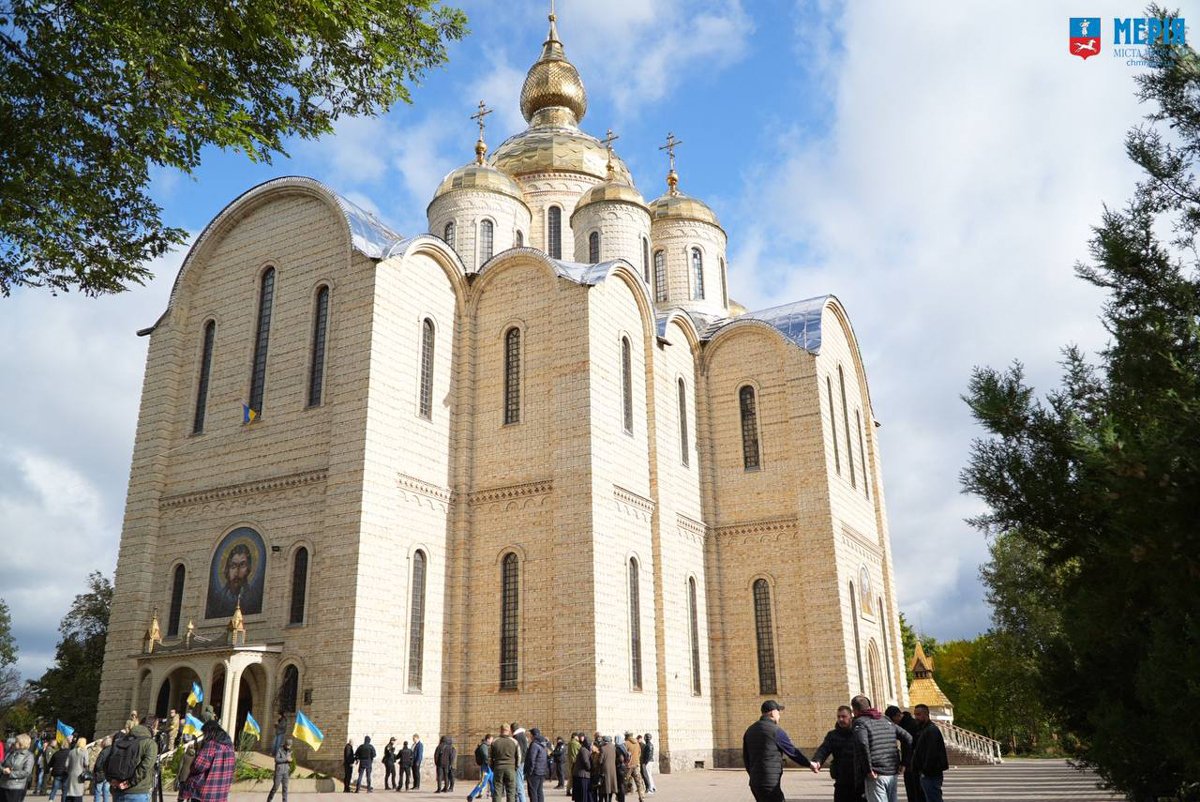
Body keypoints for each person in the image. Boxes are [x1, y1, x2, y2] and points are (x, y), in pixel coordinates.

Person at [742, 700, 816, 802]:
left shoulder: (750, 730)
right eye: (778, 712)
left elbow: (746, 757)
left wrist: (753, 775)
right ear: (772, 713)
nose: (779, 716)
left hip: (755, 783)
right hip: (770, 783)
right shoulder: (776, 730)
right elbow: (793, 752)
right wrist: (809, 764)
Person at [851, 695, 912, 802]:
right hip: (892, 771)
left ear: (855, 710)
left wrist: (868, 769)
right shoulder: (885, 720)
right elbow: (908, 738)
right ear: (869, 706)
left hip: (876, 774)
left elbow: (862, 743)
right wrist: (904, 762)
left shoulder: (860, 722)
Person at [812, 706, 865, 802]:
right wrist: (817, 761)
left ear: (851, 717)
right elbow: (823, 750)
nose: (840, 719)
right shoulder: (832, 735)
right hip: (841, 781)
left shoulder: (859, 733)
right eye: (838, 716)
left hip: (859, 782)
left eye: (844, 716)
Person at [178, 720, 235, 802]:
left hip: (205, 793)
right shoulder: (230, 747)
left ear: (209, 732)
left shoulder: (212, 744)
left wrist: (193, 758)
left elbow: (199, 766)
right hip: (221, 793)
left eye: (204, 733)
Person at [107, 719, 157, 802]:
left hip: (118, 790)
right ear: (152, 727)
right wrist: (129, 783)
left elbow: (107, 761)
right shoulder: (149, 743)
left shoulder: (121, 741)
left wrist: (111, 780)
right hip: (138, 791)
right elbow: (145, 767)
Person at [909, 706, 947, 802]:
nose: (916, 717)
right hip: (927, 773)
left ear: (926, 714)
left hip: (931, 774)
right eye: (915, 714)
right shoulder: (923, 730)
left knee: (934, 798)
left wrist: (925, 771)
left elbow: (931, 754)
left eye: (918, 714)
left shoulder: (931, 730)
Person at [885, 707, 922, 802]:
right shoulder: (908, 722)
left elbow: (908, 747)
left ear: (897, 716)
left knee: (914, 789)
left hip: (913, 763)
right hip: (913, 762)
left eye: (893, 721)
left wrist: (904, 763)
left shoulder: (909, 725)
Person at [0, 733, 35, 802]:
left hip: (15, 787)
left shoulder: (29, 756)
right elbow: (2, 763)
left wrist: (11, 773)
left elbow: (26, 772)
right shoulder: (10, 752)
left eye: (16, 741)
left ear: (22, 743)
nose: (14, 743)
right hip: (3, 784)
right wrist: (2, 769)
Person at [489, 725, 519, 802]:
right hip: (510, 768)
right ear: (509, 731)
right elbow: (519, 756)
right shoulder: (514, 742)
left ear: (500, 730)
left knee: (497, 791)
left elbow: (490, 757)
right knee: (511, 792)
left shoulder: (494, 742)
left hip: (498, 767)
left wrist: (492, 767)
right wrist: (516, 767)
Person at [523, 729, 549, 802]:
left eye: (530, 734)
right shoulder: (543, 744)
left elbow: (531, 759)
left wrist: (529, 771)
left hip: (534, 772)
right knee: (539, 791)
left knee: (533, 792)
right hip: (541, 771)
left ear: (532, 735)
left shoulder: (534, 744)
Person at [467, 736, 493, 802]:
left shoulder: (486, 746)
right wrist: (488, 762)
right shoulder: (484, 746)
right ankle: (471, 795)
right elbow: (485, 756)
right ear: (488, 739)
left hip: (488, 766)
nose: (491, 741)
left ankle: (495, 795)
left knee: (492, 782)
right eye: (491, 739)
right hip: (486, 766)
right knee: (483, 783)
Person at [63, 738, 88, 802]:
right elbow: (86, 763)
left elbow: (66, 764)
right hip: (80, 775)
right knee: (78, 793)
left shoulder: (71, 751)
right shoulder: (84, 751)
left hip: (71, 774)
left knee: (70, 792)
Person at [570, 737, 591, 802]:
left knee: (580, 795)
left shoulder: (582, 749)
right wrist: (589, 768)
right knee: (582, 795)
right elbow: (585, 761)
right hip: (582, 775)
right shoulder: (584, 750)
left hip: (579, 774)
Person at [510, 725, 528, 802]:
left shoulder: (517, 737)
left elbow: (518, 753)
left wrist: (516, 764)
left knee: (518, 785)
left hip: (519, 763)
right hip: (522, 762)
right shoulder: (522, 736)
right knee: (518, 784)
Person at [92, 737, 113, 802]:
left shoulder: (103, 752)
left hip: (101, 774)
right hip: (109, 774)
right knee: (106, 792)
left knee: (98, 792)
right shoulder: (113, 750)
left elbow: (98, 764)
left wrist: (96, 771)